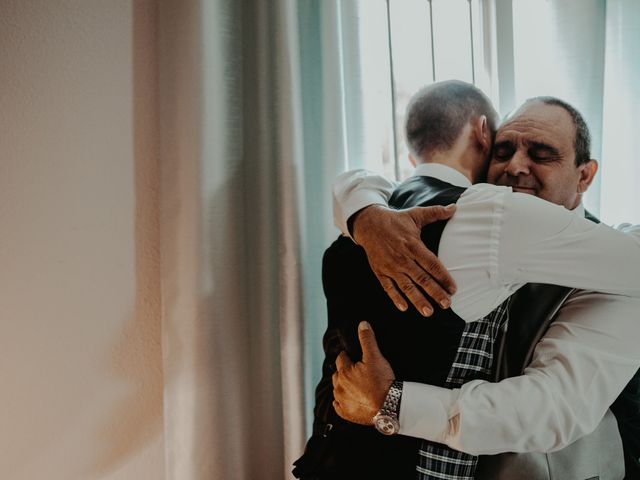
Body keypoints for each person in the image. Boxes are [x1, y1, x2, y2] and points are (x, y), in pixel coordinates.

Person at [293, 80, 640, 479]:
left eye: (542, 153)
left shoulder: (618, 275)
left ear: (584, 176)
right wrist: (366, 214)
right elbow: (371, 181)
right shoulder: (470, 219)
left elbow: (553, 406)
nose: (515, 166)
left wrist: (391, 404)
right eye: (504, 149)